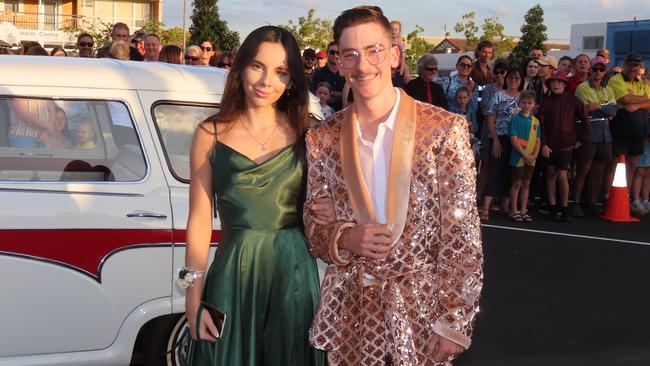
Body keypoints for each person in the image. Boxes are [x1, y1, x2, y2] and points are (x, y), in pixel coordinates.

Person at [305, 6, 482, 365]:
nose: (363, 64)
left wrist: (455, 321)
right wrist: (345, 238)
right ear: (337, 61)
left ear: (394, 55)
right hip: (350, 314)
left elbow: (462, 234)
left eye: (374, 50)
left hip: (420, 312)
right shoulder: (322, 138)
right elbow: (313, 227)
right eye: (350, 54)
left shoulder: (443, 130)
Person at [183, 25, 330, 366]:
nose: (266, 82)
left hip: (293, 274)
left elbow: (341, 197)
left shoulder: (310, 132)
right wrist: (193, 296)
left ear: (292, 80)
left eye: (281, 72)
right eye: (257, 67)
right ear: (240, 68)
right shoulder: (209, 133)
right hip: (233, 274)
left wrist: (331, 209)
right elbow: (200, 219)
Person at [537, 70, 590, 222]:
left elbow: (586, 122)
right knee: (550, 175)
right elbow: (541, 125)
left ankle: (565, 207)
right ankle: (553, 206)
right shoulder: (545, 102)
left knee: (562, 175)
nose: (556, 84)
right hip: (549, 145)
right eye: (553, 82)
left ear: (565, 84)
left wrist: (580, 140)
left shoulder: (574, 101)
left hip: (566, 145)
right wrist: (544, 144)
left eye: (559, 82)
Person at [573, 56, 617, 216]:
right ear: (590, 70)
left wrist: (597, 106)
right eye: (595, 69)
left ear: (605, 71)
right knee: (584, 169)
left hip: (605, 135)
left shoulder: (608, 89)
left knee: (599, 170)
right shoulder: (582, 87)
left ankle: (592, 202)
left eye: (601, 69)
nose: (598, 72)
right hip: (589, 134)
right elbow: (583, 110)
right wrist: (603, 106)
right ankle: (576, 203)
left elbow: (613, 110)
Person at [481, 66, 524, 221]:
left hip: (517, 141)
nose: (513, 80)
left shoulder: (523, 98)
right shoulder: (498, 96)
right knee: (495, 171)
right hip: (499, 138)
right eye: (511, 77)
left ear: (521, 80)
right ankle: (486, 207)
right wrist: (496, 141)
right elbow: (491, 119)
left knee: (510, 174)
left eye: (517, 78)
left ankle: (505, 206)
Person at [607, 53, 650, 190]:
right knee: (616, 164)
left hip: (637, 130)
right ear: (624, 65)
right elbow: (626, 99)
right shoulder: (616, 80)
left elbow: (636, 101)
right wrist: (643, 98)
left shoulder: (641, 83)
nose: (633, 68)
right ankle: (609, 195)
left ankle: (625, 195)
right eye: (630, 65)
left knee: (632, 164)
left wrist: (637, 104)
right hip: (621, 130)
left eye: (636, 66)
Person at [508, 91, 541, 223]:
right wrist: (526, 155)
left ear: (534, 105)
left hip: (531, 159)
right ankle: (514, 209)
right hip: (518, 157)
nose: (527, 105)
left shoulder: (536, 121)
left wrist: (534, 156)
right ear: (519, 103)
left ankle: (523, 209)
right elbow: (514, 140)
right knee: (516, 183)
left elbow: (538, 140)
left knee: (526, 184)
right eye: (524, 103)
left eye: (529, 103)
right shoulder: (516, 119)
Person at [311, 41, 346, 111]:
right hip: (322, 115)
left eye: (338, 52)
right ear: (327, 53)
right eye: (332, 52)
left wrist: (335, 94)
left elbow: (352, 96)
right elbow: (314, 97)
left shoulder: (347, 74)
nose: (335, 55)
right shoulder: (318, 74)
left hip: (343, 115)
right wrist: (341, 95)